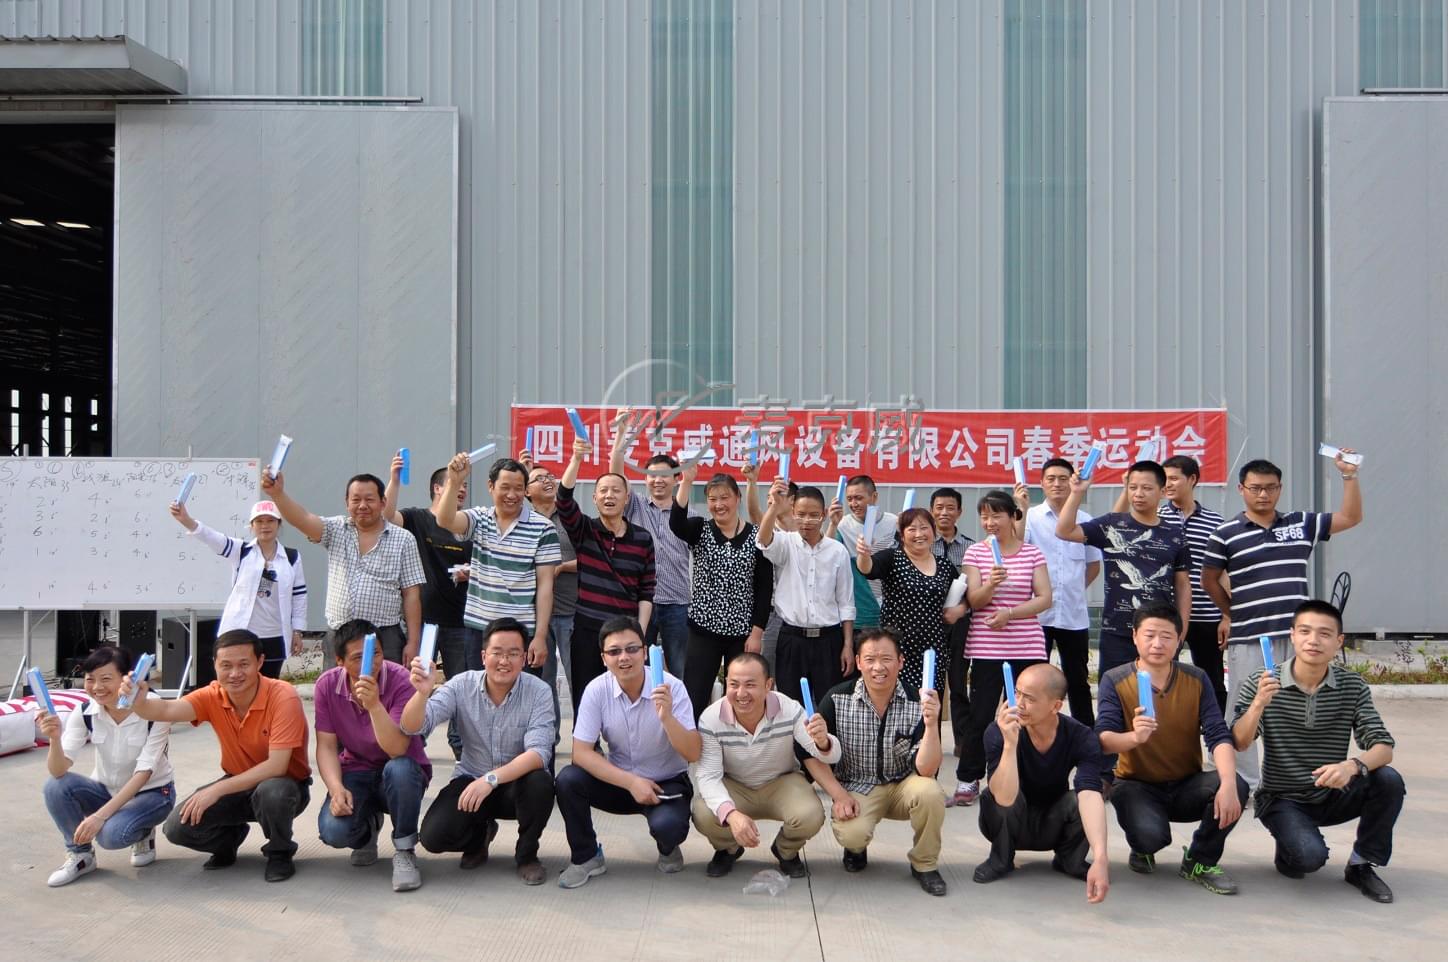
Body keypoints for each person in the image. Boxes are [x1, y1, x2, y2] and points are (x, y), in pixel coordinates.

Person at [1205, 453, 1363, 788]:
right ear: (1241, 489)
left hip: (1298, 638)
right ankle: (1244, 781)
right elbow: (1209, 580)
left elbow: (1350, 517)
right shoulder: (1225, 534)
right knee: (1244, 706)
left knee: (1305, 702)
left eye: (1270, 487)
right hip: (1249, 637)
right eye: (1255, 488)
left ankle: (1305, 777)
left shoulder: (1300, 523)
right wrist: (1232, 612)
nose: (1263, 494)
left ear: (1280, 488)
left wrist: (1349, 476)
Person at [1232, 600, 1402, 903]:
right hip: (1282, 798)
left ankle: (1361, 864)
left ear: (1339, 641)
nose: (1313, 640)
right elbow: (1240, 742)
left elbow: (1383, 747)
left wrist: (1351, 766)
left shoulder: (1352, 685)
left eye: (1324, 634)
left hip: (1333, 792)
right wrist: (1258, 704)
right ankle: (1290, 846)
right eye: (1305, 631)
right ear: (1292, 636)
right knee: (1307, 859)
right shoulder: (1263, 681)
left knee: (1388, 779)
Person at [122, 629, 311, 882]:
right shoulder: (213, 695)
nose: (235, 673)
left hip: (286, 787)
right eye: (226, 666)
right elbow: (166, 709)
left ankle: (280, 852)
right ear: (215, 665)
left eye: (243, 664)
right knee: (177, 827)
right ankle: (228, 841)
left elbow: (276, 766)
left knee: (272, 791)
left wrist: (216, 790)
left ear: (260, 662)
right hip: (237, 782)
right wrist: (139, 701)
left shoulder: (282, 696)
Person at [1096, 604, 1247, 894]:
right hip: (1135, 784)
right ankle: (1142, 847)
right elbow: (1104, 739)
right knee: (1151, 837)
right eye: (1149, 635)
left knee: (1235, 785)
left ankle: (1199, 860)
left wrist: (1228, 783)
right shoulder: (1115, 679)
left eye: (1166, 636)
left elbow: (1217, 734)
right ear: (1135, 636)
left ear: (1179, 640)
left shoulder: (1197, 678)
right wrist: (1134, 737)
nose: (1157, 644)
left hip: (1186, 783)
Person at [400, 617, 557, 885]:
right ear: (484, 656)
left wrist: (491, 779)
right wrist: (421, 694)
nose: (504, 661)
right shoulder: (461, 685)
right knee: (433, 837)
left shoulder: (538, 691)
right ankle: (479, 838)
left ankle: (527, 855)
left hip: (515, 786)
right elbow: (412, 726)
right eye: (497, 653)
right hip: (472, 780)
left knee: (541, 782)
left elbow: (539, 753)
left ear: (523, 659)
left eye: (513, 654)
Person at [555, 616, 701, 888]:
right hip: (620, 782)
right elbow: (581, 753)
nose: (624, 657)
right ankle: (586, 857)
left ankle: (667, 846)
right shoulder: (596, 690)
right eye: (614, 651)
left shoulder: (671, 688)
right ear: (604, 658)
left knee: (669, 828)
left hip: (665, 784)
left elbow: (693, 753)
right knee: (568, 780)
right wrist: (631, 782)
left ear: (645, 652)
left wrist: (667, 717)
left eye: (632, 649)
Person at [808, 627, 949, 896]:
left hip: (902, 785)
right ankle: (856, 849)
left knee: (930, 792)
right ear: (858, 662)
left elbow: (927, 769)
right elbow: (810, 755)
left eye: (886, 659)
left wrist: (932, 725)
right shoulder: (837, 698)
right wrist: (838, 795)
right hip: (858, 787)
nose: (878, 667)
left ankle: (925, 864)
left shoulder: (917, 702)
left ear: (901, 662)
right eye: (870, 659)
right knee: (852, 834)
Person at [692, 653, 840, 878]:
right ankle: (728, 848)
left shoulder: (789, 709)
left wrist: (823, 741)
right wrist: (731, 815)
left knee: (810, 814)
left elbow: (829, 755)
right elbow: (708, 776)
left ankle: (785, 850)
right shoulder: (711, 718)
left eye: (750, 685)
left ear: (768, 685)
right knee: (703, 813)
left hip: (781, 781)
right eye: (734, 684)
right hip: (735, 784)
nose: (741, 693)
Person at [37, 646, 175, 887]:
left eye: (106, 679)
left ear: (127, 678)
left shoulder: (154, 708)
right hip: (106, 790)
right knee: (55, 786)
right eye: (90, 679)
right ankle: (80, 855)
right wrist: (54, 738)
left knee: (111, 836)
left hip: (152, 794)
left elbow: (144, 773)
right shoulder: (85, 711)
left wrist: (99, 817)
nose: (97, 687)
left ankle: (143, 832)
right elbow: (58, 770)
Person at [974, 664, 1109, 904]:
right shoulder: (998, 730)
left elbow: (1090, 793)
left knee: (1079, 798)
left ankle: (1070, 859)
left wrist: (1101, 859)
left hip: (1052, 822)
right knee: (995, 794)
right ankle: (1001, 858)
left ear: (1056, 706)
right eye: (1017, 693)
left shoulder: (1080, 736)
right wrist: (1009, 744)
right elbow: (1003, 797)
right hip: (1009, 821)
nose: (1019, 704)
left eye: (1030, 698)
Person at [314, 620, 432, 893]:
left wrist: (374, 705)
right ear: (340, 661)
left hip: (401, 770)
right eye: (358, 658)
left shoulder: (401, 679)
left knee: (399, 770)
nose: (371, 663)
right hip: (356, 768)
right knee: (333, 831)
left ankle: (404, 849)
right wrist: (336, 788)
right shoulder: (327, 685)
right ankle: (368, 826)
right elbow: (326, 747)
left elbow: (397, 749)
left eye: (375, 653)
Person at [951, 490, 1052, 808]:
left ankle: (1027, 777)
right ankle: (969, 778)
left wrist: (1010, 613)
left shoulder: (1032, 553)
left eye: (996, 515)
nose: (990, 522)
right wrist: (991, 584)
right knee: (981, 715)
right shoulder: (975, 554)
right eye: (984, 516)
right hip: (987, 648)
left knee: (1028, 714)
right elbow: (973, 601)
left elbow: (1044, 598)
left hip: (1027, 646)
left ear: (1013, 517)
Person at [262, 469, 424, 664]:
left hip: (385, 636)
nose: (362, 505)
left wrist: (413, 642)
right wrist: (278, 494)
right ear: (347, 503)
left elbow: (411, 594)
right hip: (340, 634)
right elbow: (302, 519)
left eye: (369, 499)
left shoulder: (404, 539)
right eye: (356, 499)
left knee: (385, 684)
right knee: (336, 683)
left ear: (383, 502)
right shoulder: (336, 529)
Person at [431, 452, 560, 684]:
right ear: (491, 487)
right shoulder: (479, 518)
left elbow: (545, 586)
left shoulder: (543, 528)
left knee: (521, 695)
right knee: (478, 694)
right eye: (505, 487)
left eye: (518, 488)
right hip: (479, 630)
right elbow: (445, 520)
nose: (512, 495)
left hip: (522, 631)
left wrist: (540, 636)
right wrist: (455, 481)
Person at [1054, 459, 1190, 676]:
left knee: (1159, 692)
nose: (1138, 494)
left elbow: (1183, 585)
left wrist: (1181, 630)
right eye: (1133, 487)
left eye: (1147, 488)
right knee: (1115, 691)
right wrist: (1077, 492)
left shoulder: (1175, 534)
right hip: (1116, 632)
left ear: (1163, 492)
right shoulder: (1111, 524)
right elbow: (1064, 531)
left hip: (1159, 633)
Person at [558, 438, 657, 715]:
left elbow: (647, 590)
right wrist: (576, 459)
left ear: (627, 498)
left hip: (625, 632)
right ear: (595, 498)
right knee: (585, 698)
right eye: (603, 491)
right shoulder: (584, 531)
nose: (609, 495)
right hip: (587, 629)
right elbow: (563, 500)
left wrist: (639, 633)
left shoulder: (642, 538)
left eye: (616, 490)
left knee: (627, 700)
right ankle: (585, 742)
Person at [671, 463, 772, 722]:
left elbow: (764, 587)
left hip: (742, 634)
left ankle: (739, 741)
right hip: (703, 630)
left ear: (737, 498)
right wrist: (686, 482)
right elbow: (676, 524)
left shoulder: (756, 536)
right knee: (694, 694)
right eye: (712, 499)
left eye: (725, 497)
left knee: (741, 696)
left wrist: (757, 632)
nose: (719, 504)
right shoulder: (700, 529)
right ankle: (692, 742)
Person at [382, 457, 479, 720]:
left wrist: (470, 572)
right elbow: (386, 516)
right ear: (437, 488)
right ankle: (414, 735)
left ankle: (459, 740)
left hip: (459, 621)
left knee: (461, 687)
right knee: (416, 684)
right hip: (424, 623)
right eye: (456, 483)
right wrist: (394, 479)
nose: (462, 489)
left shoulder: (466, 525)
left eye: (465, 485)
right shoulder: (418, 518)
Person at [169, 498, 307, 678]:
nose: (265, 526)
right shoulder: (241, 550)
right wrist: (186, 519)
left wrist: (297, 631)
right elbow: (211, 537)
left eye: (270, 521)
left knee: (268, 684)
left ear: (279, 524)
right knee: (237, 680)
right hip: (240, 632)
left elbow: (299, 595)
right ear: (251, 526)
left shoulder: (291, 557)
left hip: (275, 634)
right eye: (259, 521)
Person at [608, 408, 694, 678]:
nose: (658, 480)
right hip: (640, 601)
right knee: (637, 667)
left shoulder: (688, 516)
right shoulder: (635, 506)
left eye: (665, 475)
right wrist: (622, 432)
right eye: (652, 475)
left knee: (679, 668)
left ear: (676, 479)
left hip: (677, 602)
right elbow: (616, 473)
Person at [756, 479, 855, 704]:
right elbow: (763, 540)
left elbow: (846, 603)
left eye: (813, 515)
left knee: (828, 704)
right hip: (792, 638)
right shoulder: (785, 543)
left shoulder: (837, 551)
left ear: (824, 515)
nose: (807, 521)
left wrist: (848, 645)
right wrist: (774, 506)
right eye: (801, 514)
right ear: (792, 512)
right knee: (791, 704)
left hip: (829, 640)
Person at [1020, 458, 1102, 725]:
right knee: (1034, 679)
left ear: (1072, 482)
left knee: (1078, 679)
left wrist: (1073, 589)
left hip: (1073, 615)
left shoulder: (1086, 521)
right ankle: (1032, 730)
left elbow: (1093, 565)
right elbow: (1018, 554)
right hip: (1036, 616)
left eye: (1063, 478)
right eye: (1051, 479)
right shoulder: (1030, 518)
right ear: (1042, 484)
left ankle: (1085, 733)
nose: (1057, 484)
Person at [854, 508, 967, 694]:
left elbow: (963, 597)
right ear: (902, 535)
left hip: (932, 651)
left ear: (934, 531)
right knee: (896, 702)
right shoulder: (892, 558)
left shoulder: (945, 566)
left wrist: (959, 610)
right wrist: (863, 554)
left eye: (924, 528)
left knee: (929, 704)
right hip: (897, 650)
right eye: (912, 529)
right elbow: (867, 569)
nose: (919, 534)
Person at [1155, 456, 1228, 711]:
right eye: (1164, 479)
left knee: (1212, 679)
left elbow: (1224, 572)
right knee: (1162, 677)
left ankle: (1217, 730)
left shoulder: (1215, 522)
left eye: (1174, 478)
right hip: (1167, 616)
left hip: (1206, 615)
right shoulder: (1156, 518)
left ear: (1193, 479)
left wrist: (1227, 616)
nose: (1167, 484)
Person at [522, 456, 580, 735]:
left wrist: (562, 567)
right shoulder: (523, 522)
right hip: (536, 615)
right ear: (526, 491)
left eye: (550, 477)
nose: (547, 481)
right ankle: (547, 736)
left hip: (571, 610)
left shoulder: (570, 517)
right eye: (539, 479)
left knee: (576, 675)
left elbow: (591, 558)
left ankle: (585, 736)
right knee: (542, 681)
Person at [930, 487, 975, 762]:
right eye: (939, 507)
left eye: (950, 508)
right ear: (932, 511)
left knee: (958, 683)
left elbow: (975, 589)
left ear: (959, 512)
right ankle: (930, 740)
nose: (944, 513)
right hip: (928, 622)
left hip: (960, 622)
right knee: (930, 683)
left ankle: (962, 742)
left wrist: (961, 610)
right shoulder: (922, 543)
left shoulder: (971, 547)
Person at [826, 475, 897, 632]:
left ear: (874, 496)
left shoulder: (894, 523)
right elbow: (826, 556)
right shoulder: (843, 525)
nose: (853, 504)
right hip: (860, 616)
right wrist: (833, 524)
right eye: (849, 499)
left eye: (858, 498)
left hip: (893, 615)